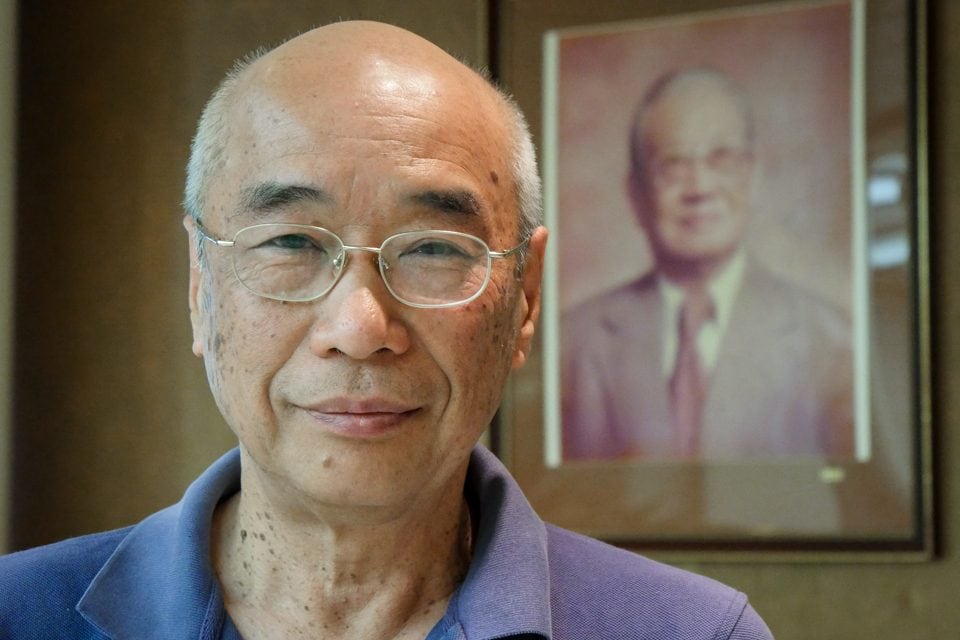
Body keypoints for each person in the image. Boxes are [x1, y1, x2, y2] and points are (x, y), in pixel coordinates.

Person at [0, 24, 772, 639]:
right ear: (201, 288)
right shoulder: (18, 615)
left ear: (524, 297)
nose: (361, 327)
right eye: (292, 244)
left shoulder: (693, 633)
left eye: (435, 249)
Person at [562, 68, 854, 462]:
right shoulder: (571, 343)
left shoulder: (834, 343)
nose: (699, 188)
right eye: (672, 165)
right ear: (636, 195)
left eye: (723, 159)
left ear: (753, 177)